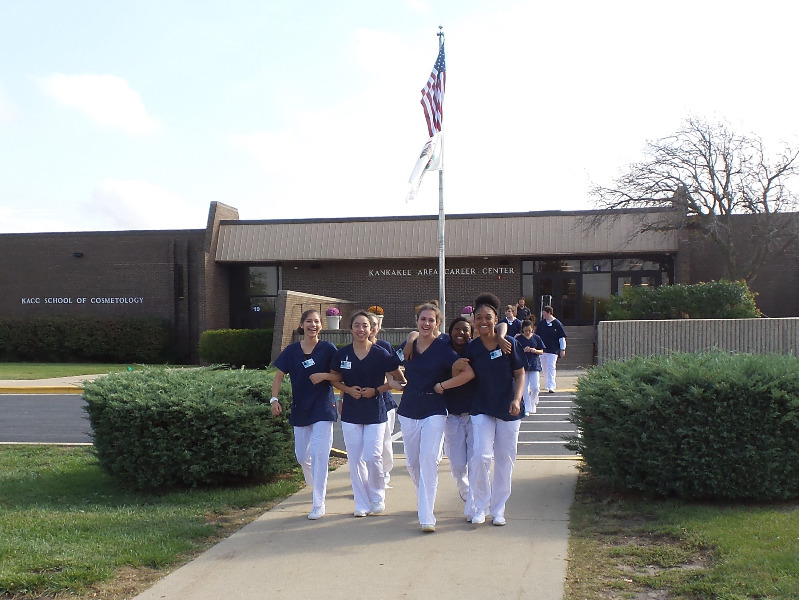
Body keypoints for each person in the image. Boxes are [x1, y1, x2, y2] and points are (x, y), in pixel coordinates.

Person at [398, 303, 475, 533]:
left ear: (437, 324)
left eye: (431, 320)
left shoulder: (443, 348)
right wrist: (394, 382)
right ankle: (423, 498)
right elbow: (392, 366)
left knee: (429, 459)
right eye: (423, 319)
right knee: (412, 463)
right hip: (409, 409)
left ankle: (427, 515)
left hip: (435, 410)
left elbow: (468, 373)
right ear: (417, 321)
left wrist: (443, 385)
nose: (426, 323)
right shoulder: (408, 345)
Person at [331, 311, 405, 517]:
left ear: (371, 329)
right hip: (351, 413)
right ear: (350, 329)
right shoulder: (342, 354)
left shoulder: (381, 353)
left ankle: (377, 497)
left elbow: (397, 381)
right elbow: (335, 379)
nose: (361, 329)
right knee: (355, 460)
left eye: (365, 325)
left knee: (373, 456)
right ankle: (361, 503)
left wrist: (377, 390)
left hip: (375, 412)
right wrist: (348, 390)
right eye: (357, 325)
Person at [271, 309, 340, 520]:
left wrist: (324, 375)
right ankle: (313, 483)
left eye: (317, 322)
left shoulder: (328, 349)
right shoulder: (292, 351)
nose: (313, 325)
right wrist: (274, 399)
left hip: (323, 407)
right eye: (309, 321)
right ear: (302, 325)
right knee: (302, 456)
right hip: (301, 409)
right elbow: (278, 377)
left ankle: (318, 503)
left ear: (321, 326)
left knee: (320, 455)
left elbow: (339, 375)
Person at [462, 294, 525, 526]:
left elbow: (520, 374)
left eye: (487, 317)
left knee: (505, 459)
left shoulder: (510, 344)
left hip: (509, 406)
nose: (483, 321)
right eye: (478, 318)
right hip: (482, 406)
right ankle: (480, 506)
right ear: (474, 321)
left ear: (495, 319)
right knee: (480, 456)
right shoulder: (472, 348)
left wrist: (517, 399)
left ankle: (498, 509)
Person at [442, 317, 477, 502]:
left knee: (475, 459)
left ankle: (474, 499)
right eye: (457, 329)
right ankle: (463, 487)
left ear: (471, 333)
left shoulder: (475, 350)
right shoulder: (443, 349)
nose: (461, 333)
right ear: (450, 331)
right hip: (451, 415)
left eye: (465, 330)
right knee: (457, 462)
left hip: (474, 414)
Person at [366, 312, 398, 487]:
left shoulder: (384, 347)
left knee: (384, 441)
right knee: (368, 446)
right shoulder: (354, 348)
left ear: (377, 328)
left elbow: (394, 373)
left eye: (374, 325)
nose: (370, 328)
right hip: (361, 403)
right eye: (367, 324)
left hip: (384, 402)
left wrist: (382, 385)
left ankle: (384, 472)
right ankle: (370, 477)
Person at [535, 305, 567, 393]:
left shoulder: (557, 323)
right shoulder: (541, 323)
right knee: (544, 367)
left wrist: (562, 349)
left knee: (551, 366)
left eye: (544, 313)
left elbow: (561, 337)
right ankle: (547, 384)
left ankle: (551, 385)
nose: (543, 315)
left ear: (549, 313)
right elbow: (537, 336)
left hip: (553, 349)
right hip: (543, 349)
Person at [516, 319, 545, 415]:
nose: (528, 332)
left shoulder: (536, 338)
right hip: (523, 365)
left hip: (534, 364)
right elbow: (515, 351)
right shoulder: (519, 339)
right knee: (524, 388)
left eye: (529, 330)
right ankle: (527, 407)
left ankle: (533, 403)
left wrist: (534, 350)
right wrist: (523, 350)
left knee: (535, 387)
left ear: (532, 329)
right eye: (525, 331)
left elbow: (541, 351)